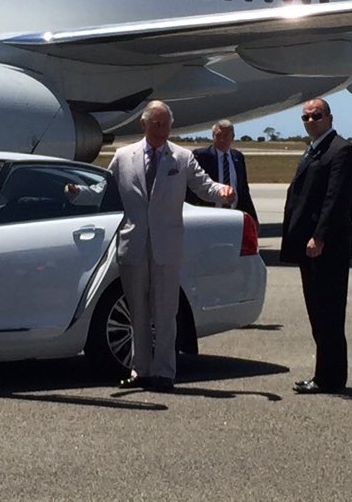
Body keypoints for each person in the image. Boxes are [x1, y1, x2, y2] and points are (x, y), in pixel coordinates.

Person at [67, 100, 234, 391]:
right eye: (155, 124)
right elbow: (102, 191)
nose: (161, 129)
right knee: (138, 313)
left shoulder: (181, 157)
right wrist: (76, 193)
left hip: (166, 246)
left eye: (165, 124)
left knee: (166, 312)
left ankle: (165, 372)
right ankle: (140, 370)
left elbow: (203, 185)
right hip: (133, 244)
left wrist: (223, 190)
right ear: (144, 125)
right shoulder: (123, 156)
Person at [281, 98, 352, 394]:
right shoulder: (314, 149)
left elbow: (336, 200)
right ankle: (324, 374)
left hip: (327, 247)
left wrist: (320, 236)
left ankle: (331, 377)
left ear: (329, 117)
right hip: (310, 247)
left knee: (329, 313)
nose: (311, 121)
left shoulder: (342, 151)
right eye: (306, 117)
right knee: (318, 313)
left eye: (316, 116)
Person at [186, 119, 258, 226]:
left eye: (226, 135)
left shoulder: (238, 157)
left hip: (234, 216)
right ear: (213, 136)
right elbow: (192, 188)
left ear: (232, 137)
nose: (222, 139)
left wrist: (253, 218)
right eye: (218, 135)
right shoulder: (201, 156)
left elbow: (243, 191)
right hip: (208, 216)